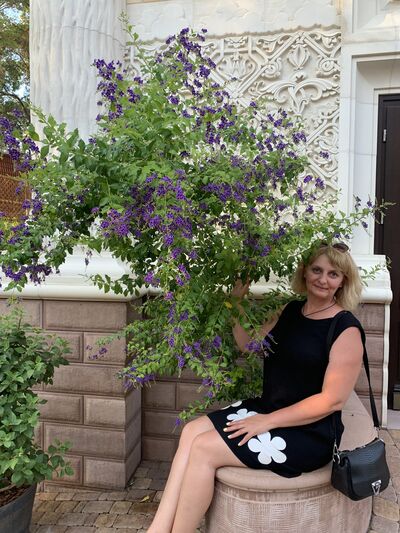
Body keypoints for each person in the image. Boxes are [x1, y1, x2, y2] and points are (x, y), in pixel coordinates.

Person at [147, 242, 365, 533]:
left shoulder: (345, 329)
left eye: (333, 274)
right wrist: (236, 302)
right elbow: (248, 345)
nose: (323, 279)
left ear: (343, 281)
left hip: (309, 433)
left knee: (203, 449)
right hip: (269, 409)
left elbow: (332, 401)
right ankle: (158, 528)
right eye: (317, 270)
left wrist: (266, 422)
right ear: (305, 271)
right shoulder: (291, 311)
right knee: (190, 432)